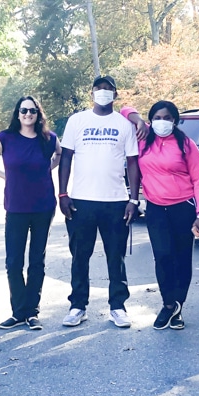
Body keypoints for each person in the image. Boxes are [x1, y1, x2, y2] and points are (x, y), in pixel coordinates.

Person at [58, 75, 143, 328]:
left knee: (115, 256)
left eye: (109, 89)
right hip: (81, 201)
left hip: (116, 201)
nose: (103, 93)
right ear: (92, 93)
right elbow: (66, 158)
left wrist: (134, 199)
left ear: (115, 95)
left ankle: (118, 306)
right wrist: (62, 193)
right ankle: (77, 305)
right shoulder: (77, 121)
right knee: (80, 255)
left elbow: (133, 163)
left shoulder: (124, 124)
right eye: (99, 89)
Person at [0, 96, 61, 330]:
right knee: (13, 262)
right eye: (24, 110)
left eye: (32, 110)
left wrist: (48, 168)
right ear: (17, 113)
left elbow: (60, 155)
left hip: (43, 207)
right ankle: (18, 312)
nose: (28, 114)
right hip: (16, 208)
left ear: (38, 114)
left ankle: (32, 312)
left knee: (37, 261)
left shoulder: (48, 139)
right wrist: (5, 176)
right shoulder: (6, 138)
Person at [135, 100, 199, 330]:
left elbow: (198, 179)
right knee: (163, 256)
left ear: (175, 120)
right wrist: (137, 119)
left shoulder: (186, 144)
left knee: (181, 258)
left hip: (183, 207)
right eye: (157, 117)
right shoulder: (143, 141)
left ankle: (177, 308)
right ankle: (168, 304)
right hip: (156, 208)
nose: (162, 122)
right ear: (150, 120)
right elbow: (125, 110)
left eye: (167, 118)